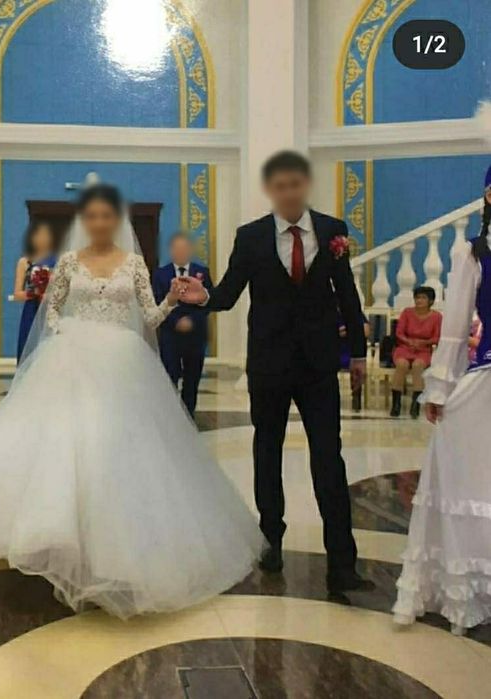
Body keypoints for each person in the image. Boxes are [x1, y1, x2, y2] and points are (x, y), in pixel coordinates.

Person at [0, 184, 261, 618]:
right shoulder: (68, 262)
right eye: (93, 216)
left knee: (116, 450)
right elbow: (53, 307)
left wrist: (172, 300)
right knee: (64, 447)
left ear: (118, 221)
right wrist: (62, 330)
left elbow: (150, 317)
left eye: (107, 216)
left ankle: (112, 548)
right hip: (71, 357)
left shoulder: (134, 264)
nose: (100, 223)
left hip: (122, 361)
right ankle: (60, 539)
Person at [178, 150, 373, 597]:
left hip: (318, 364)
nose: (288, 193)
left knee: (329, 457)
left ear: (305, 186)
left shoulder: (333, 231)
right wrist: (202, 297)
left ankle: (343, 564)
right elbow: (229, 293)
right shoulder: (250, 237)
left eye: (295, 185)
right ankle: (271, 541)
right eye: (280, 186)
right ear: (271, 191)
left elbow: (347, 294)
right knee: (267, 452)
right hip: (268, 363)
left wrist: (358, 355)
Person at [393, 166, 491, 635]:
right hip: (486, 380)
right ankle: (469, 586)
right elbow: (454, 326)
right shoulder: (474, 252)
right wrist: (439, 388)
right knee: (468, 479)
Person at [153, 233, 212, 416]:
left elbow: (209, 301)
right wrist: (175, 321)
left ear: (190, 250)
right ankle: (170, 415)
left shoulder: (202, 272)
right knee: (170, 376)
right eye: (177, 248)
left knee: (192, 378)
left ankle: (188, 416)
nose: (181, 252)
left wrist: (191, 320)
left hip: (195, 335)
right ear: (171, 251)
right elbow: (157, 301)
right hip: (171, 335)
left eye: (184, 248)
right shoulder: (160, 274)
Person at [390, 286, 442, 418]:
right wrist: (409, 342)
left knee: (418, 366)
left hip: (424, 350)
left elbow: (437, 337)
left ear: (430, 301)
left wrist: (423, 343)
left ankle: (416, 404)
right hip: (404, 347)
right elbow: (399, 333)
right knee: (401, 365)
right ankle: (396, 404)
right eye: (417, 297)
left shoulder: (437, 317)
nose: (419, 300)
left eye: (423, 298)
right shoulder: (407, 312)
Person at [12, 221, 56, 362]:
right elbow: (17, 294)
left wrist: (48, 295)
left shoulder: (58, 261)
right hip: (31, 310)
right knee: (29, 347)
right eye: (39, 235)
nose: (42, 239)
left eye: (45, 235)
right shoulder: (24, 262)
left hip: (51, 311)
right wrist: (35, 293)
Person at [339, 312, 370, 412]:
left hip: (352, 351)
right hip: (335, 350)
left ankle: (356, 396)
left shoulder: (357, 314)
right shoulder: (331, 313)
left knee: (356, 361)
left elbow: (366, 331)